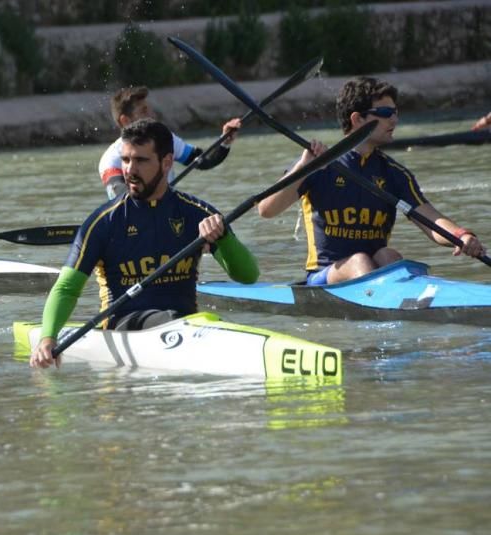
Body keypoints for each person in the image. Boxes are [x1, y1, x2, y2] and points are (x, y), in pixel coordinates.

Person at [30, 119, 259, 368]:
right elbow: (66, 289)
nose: (129, 170)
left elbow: (248, 276)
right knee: (172, 318)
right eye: (126, 160)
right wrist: (47, 338)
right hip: (123, 327)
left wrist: (223, 239)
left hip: (188, 326)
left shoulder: (197, 213)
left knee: (179, 319)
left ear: (167, 162)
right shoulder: (103, 223)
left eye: (140, 160)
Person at [257, 76, 485, 285]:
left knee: (389, 256)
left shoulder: (395, 174)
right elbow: (266, 210)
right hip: (325, 276)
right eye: (386, 112)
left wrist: (461, 236)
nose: (394, 119)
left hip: (377, 272)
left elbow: (431, 220)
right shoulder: (319, 164)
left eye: (396, 112)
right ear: (357, 119)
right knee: (359, 261)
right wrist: (303, 168)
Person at [99, 86, 242, 199]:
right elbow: (118, 194)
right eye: (144, 111)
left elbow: (204, 161)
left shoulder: (167, 139)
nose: (152, 116)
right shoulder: (110, 159)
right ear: (125, 121)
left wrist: (224, 141)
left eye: (149, 109)